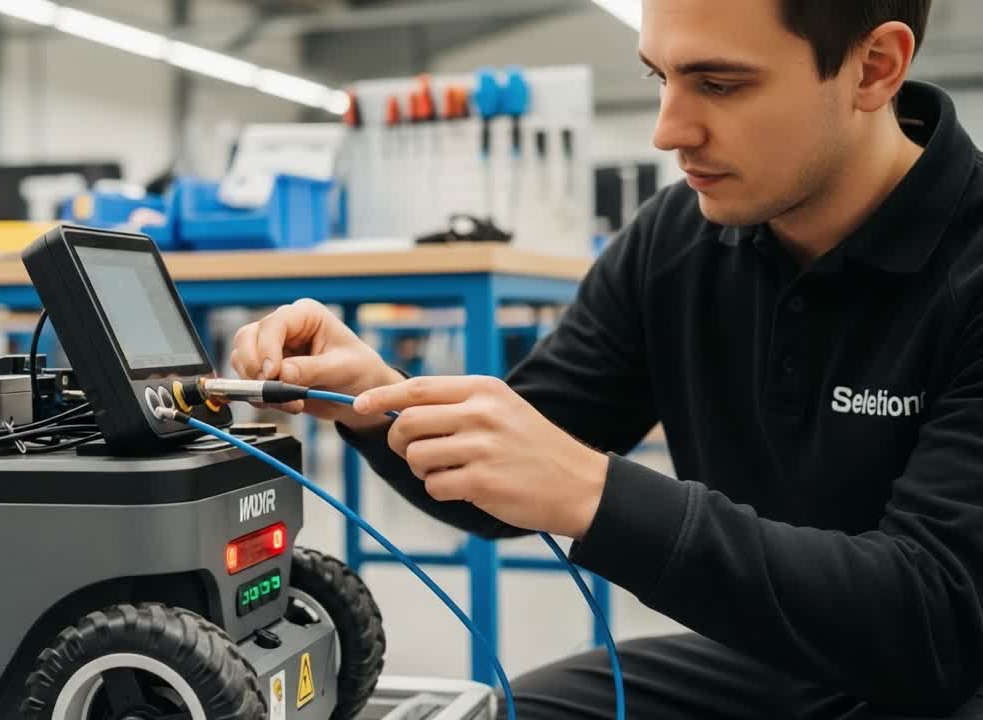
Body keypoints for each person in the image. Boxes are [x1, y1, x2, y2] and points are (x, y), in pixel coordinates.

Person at [230, 0, 983, 716]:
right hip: (779, 661)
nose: (668, 130)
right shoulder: (675, 242)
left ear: (874, 68)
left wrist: (595, 491)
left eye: (719, 84)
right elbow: (500, 483)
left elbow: (937, 620)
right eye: (661, 78)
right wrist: (373, 399)